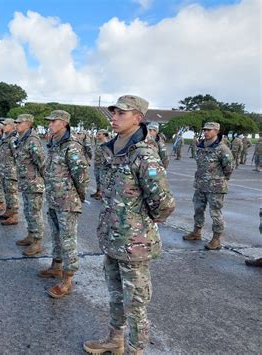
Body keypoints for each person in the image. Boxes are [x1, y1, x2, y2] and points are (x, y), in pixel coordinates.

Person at [83, 95, 175, 355]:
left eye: (122, 113)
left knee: (135, 304)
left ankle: (136, 350)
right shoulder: (111, 149)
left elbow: (165, 202)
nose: (114, 117)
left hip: (135, 244)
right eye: (113, 112)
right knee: (114, 296)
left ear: (138, 118)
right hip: (112, 238)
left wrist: (142, 224)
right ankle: (115, 340)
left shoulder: (144, 154)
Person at [39, 110, 89, 298]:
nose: (50, 124)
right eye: (49, 121)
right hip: (53, 198)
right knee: (56, 235)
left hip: (67, 201)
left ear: (64, 123)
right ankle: (56, 266)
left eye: (53, 121)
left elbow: (82, 177)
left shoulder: (72, 146)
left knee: (68, 240)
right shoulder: (54, 143)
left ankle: (67, 280)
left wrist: (77, 196)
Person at [182, 122, 235, 249]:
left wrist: (220, 179)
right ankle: (196, 232)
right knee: (198, 209)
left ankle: (216, 239)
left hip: (215, 187)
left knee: (215, 213)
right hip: (200, 185)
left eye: (209, 130)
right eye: (205, 130)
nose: (206, 132)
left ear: (217, 131)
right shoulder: (201, 146)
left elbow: (229, 167)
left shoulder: (222, 148)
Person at [13, 114, 46, 256]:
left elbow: (42, 163)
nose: (16, 124)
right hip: (26, 182)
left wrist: (43, 181)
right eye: (16, 122)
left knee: (35, 213)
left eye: (19, 122)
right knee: (28, 211)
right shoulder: (22, 139)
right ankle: (31, 235)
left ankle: (37, 242)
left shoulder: (32, 140)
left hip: (34, 184)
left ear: (28, 124)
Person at [0, 119, 20, 225]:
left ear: (12, 126)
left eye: (5, 125)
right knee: (7, 193)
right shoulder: (6, 137)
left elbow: (17, 156)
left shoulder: (13, 139)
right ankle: (9, 211)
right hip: (5, 170)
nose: (3, 126)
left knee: (12, 194)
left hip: (11, 172)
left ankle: (14, 216)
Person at [90, 129, 108, 199]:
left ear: (104, 135)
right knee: (97, 179)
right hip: (97, 164)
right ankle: (97, 192)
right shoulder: (98, 142)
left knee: (102, 180)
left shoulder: (106, 144)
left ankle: (102, 195)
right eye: (97, 134)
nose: (97, 135)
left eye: (99, 134)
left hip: (103, 165)